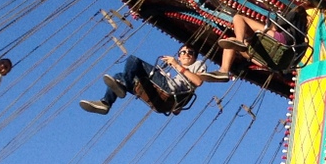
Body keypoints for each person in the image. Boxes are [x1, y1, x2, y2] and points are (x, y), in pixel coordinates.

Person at [81, 47, 224, 114]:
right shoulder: (176, 71)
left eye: (190, 52)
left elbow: (198, 82)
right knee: (118, 76)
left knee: (133, 60)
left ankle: (125, 84)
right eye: (183, 52)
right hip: (163, 95)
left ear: (194, 56)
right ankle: (106, 103)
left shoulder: (197, 64)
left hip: (169, 88)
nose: (187, 54)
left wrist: (175, 65)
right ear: (179, 55)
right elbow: (177, 110)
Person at [216, 8, 307, 78]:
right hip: (278, 63)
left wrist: (271, 24)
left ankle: (225, 68)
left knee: (238, 17)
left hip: (280, 42)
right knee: (231, 40)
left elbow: (275, 28)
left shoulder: (294, 14)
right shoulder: (303, 33)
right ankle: (224, 71)